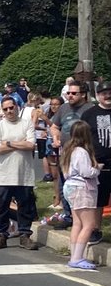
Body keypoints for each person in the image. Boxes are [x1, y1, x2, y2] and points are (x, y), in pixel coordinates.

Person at [0, 96, 40, 250]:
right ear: (2, 111)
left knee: (25, 206)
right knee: (2, 206)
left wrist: (7, 143)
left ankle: (24, 235)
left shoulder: (27, 123)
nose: (9, 111)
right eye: (6, 109)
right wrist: (19, 143)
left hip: (24, 174)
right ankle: (1, 235)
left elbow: (31, 145)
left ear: (17, 107)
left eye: (12, 107)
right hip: (4, 175)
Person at [49, 81, 94, 230]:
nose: (70, 96)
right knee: (65, 187)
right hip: (64, 154)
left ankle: (83, 219)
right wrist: (55, 138)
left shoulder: (90, 109)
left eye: (74, 93)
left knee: (82, 188)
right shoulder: (63, 108)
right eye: (68, 93)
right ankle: (68, 216)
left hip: (82, 154)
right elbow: (55, 127)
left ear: (83, 94)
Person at [60, 121, 102, 270]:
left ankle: (74, 255)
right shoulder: (81, 152)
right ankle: (77, 257)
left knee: (77, 223)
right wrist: (97, 169)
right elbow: (86, 172)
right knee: (89, 224)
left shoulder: (67, 150)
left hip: (70, 187)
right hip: (82, 188)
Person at [81, 81, 111, 245]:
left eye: (110, 92)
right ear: (98, 95)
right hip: (98, 163)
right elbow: (83, 138)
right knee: (98, 199)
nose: (107, 96)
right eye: (104, 93)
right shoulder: (89, 114)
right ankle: (95, 229)